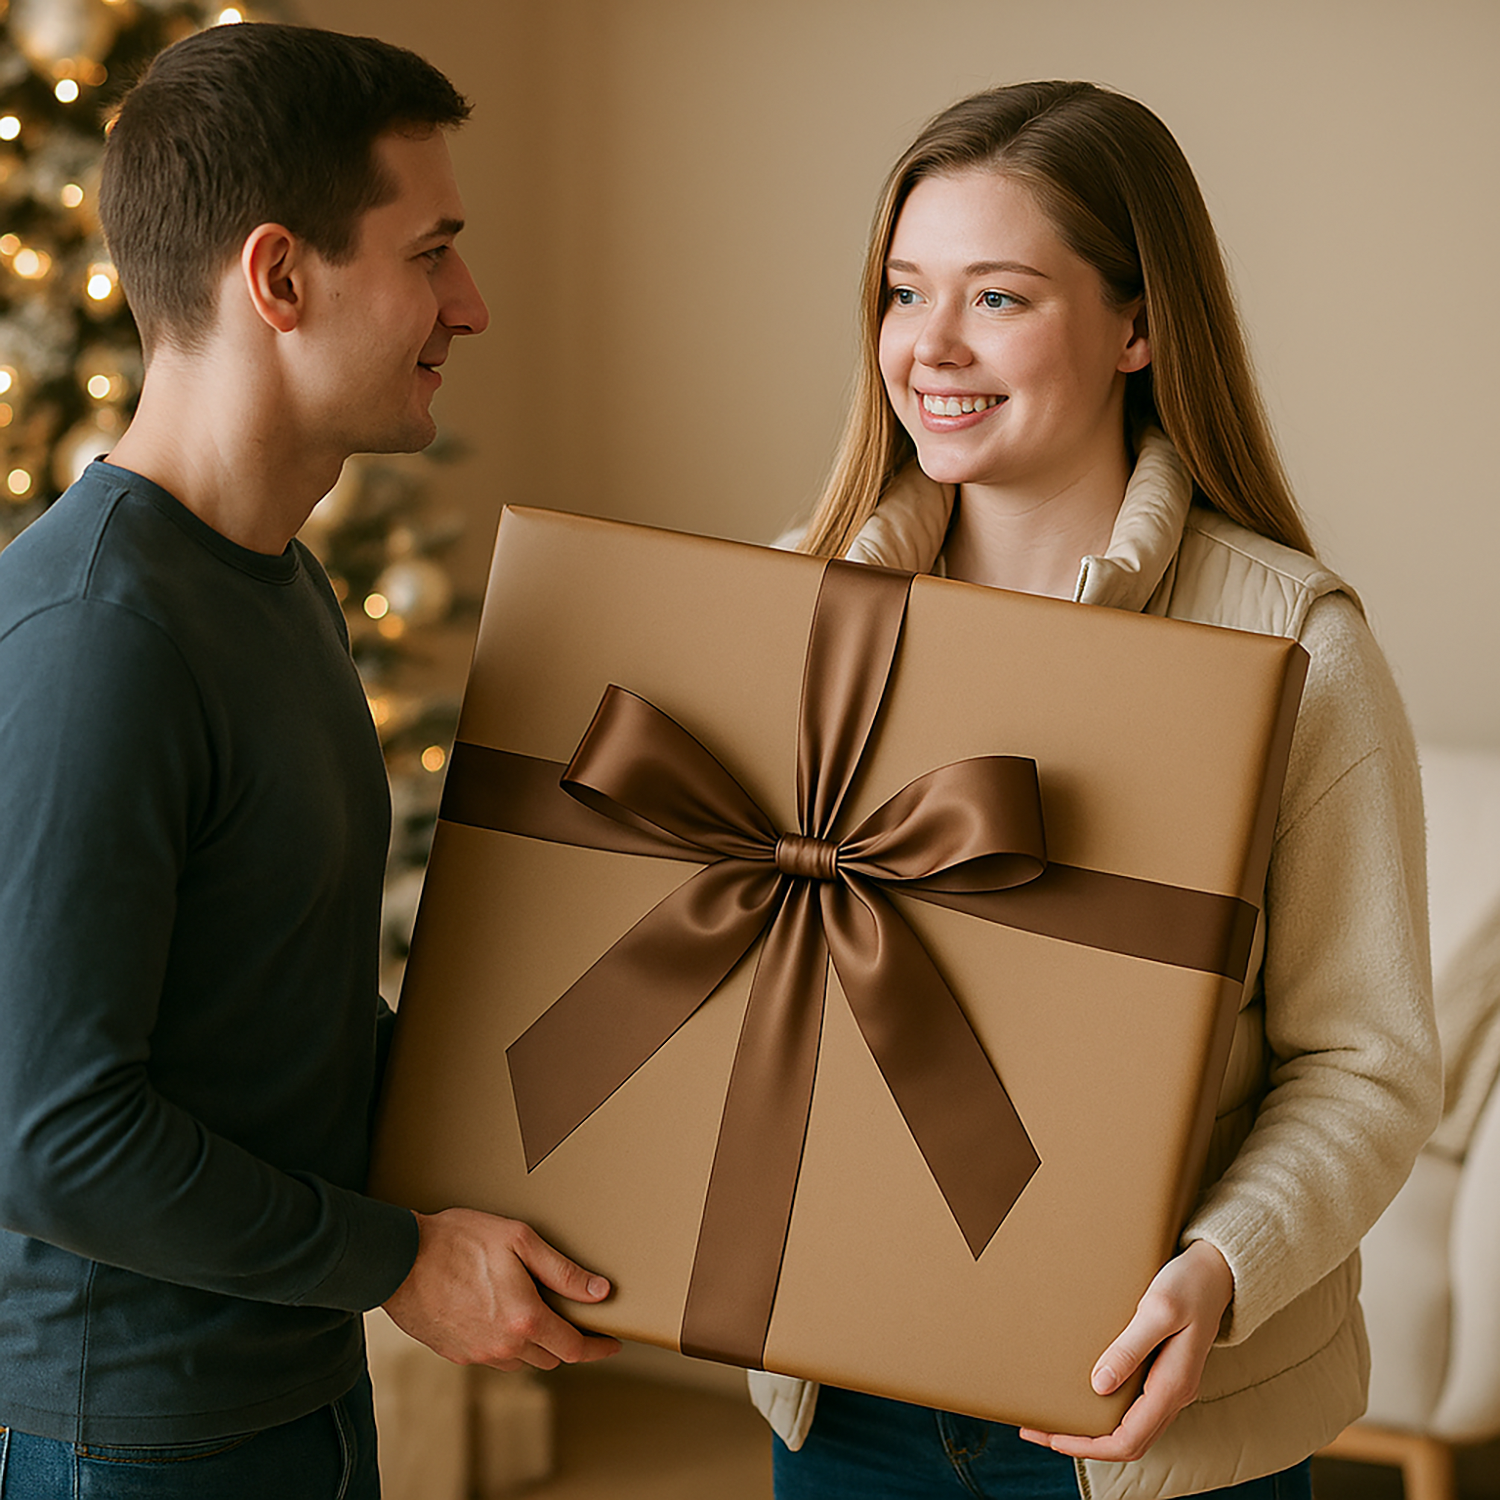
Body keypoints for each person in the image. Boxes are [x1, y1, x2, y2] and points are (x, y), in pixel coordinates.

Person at [751, 80, 1441, 1500]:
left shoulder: (1294, 646)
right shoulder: (782, 614)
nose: (930, 346)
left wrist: (1219, 1271)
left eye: (998, 297)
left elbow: (1366, 1066)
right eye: (903, 292)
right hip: (844, 1410)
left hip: (1142, 1424)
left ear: (1139, 327)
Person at [0, 22, 617, 1499]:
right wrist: (399, 1261)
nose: (470, 306)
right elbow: (50, 1136)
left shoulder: (279, 584)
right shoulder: (98, 638)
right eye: (432, 253)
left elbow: (287, 1018)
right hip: (132, 1446)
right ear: (278, 277)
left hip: (296, 1401)